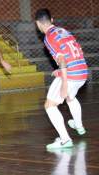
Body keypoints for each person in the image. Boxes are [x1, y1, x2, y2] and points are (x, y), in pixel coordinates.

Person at [35, 8, 88, 149]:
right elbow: (73, 51)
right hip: (82, 72)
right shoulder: (63, 31)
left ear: (38, 24)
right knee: (70, 97)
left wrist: (64, 82)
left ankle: (65, 140)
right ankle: (78, 125)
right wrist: (60, 71)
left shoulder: (49, 37)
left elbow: (62, 59)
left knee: (50, 105)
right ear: (52, 20)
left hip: (70, 76)